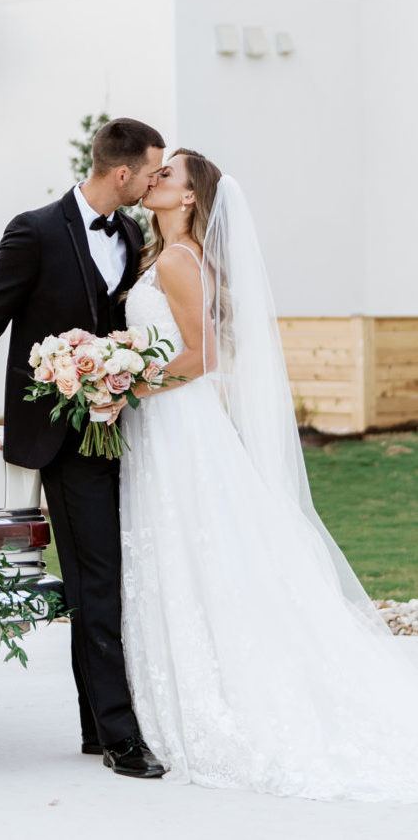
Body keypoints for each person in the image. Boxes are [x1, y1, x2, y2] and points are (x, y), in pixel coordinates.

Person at [120, 149, 418, 801]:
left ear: (190, 198)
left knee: (190, 546)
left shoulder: (174, 259)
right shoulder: (163, 255)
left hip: (175, 420)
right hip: (171, 420)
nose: (153, 181)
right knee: (199, 549)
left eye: (166, 175)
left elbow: (197, 358)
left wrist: (124, 382)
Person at [0, 117, 167, 779]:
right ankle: (121, 737)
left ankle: (94, 723)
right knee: (96, 579)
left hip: (118, 428)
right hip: (60, 435)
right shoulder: (33, 229)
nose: (156, 180)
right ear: (121, 173)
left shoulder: (129, 233)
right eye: (151, 170)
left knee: (100, 579)